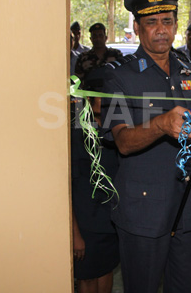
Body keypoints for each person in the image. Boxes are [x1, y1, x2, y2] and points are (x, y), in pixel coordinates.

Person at [100, 0, 191, 293]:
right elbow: (122, 142)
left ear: (175, 24)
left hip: (189, 207)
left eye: (167, 21)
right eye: (151, 22)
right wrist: (160, 125)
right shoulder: (119, 76)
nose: (161, 30)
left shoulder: (189, 70)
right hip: (144, 212)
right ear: (137, 28)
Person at [71, 67, 119, 293]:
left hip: (110, 221)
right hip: (86, 225)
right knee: (88, 278)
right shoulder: (76, 133)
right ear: (88, 99)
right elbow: (68, 188)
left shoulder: (118, 131)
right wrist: (75, 234)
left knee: (106, 272)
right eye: (103, 96)